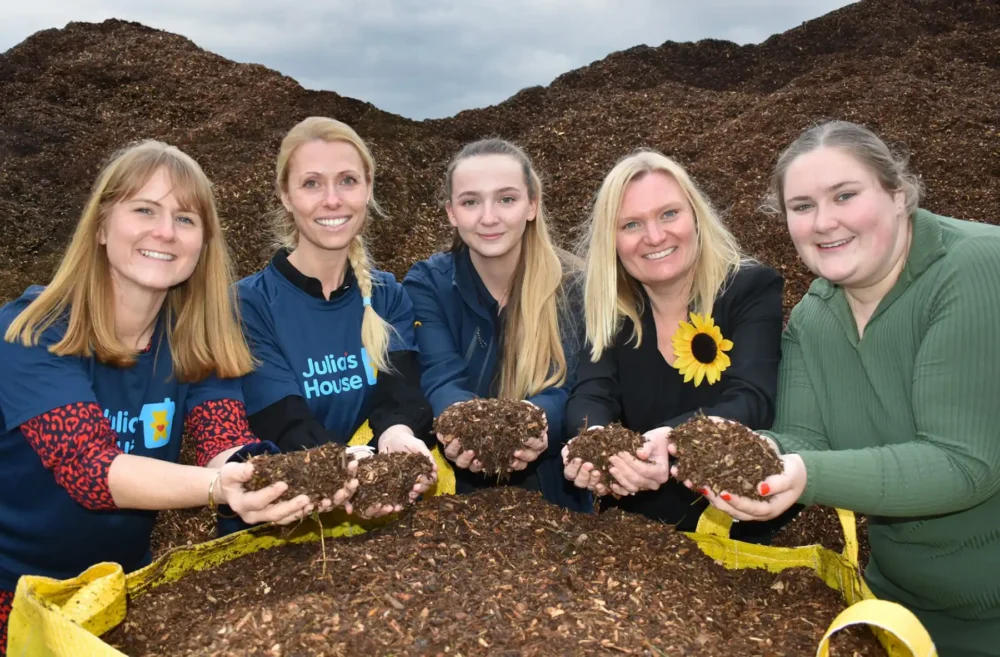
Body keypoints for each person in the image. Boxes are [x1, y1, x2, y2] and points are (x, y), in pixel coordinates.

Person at [0, 140, 354, 656]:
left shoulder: (194, 337)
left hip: (124, 590)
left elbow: (225, 441)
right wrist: (221, 487)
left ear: (204, 242)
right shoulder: (31, 331)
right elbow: (90, 469)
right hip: (16, 593)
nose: (165, 232)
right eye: (144, 210)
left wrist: (289, 477)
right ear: (101, 226)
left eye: (186, 219)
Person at [687, 120, 1000, 656]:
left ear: (898, 194)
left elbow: (964, 463)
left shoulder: (973, 268)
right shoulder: (816, 314)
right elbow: (804, 440)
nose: (824, 222)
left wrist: (802, 474)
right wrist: (741, 452)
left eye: (845, 196)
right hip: (899, 605)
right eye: (802, 206)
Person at [562, 149, 794, 540]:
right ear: (612, 241)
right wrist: (596, 444)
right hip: (639, 530)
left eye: (669, 214)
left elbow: (752, 398)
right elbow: (592, 391)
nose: (654, 237)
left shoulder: (748, 289)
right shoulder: (610, 306)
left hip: (743, 523)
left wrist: (666, 439)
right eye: (631, 224)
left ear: (696, 216)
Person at [237, 117, 436, 519]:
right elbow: (283, 420)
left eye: (347, 180)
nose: (332, 200)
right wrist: (349, 472)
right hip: (288, 517)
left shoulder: (388, 295)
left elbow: (399, 392)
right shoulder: (249, 303)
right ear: (286, 196)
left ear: (368, 188)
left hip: (374, 510)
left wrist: (398, 433)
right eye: (311, 183)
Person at [403, 138, 588, 511]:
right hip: (457, 500)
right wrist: (463, 425)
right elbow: (440, 374)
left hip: (558, 498)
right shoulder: (428, 284)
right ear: (451, 212)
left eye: (506, 199)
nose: (489, 217)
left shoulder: (576, 285)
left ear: (532, 205)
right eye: (471, 201)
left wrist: (536, 423)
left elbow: (573, 384)